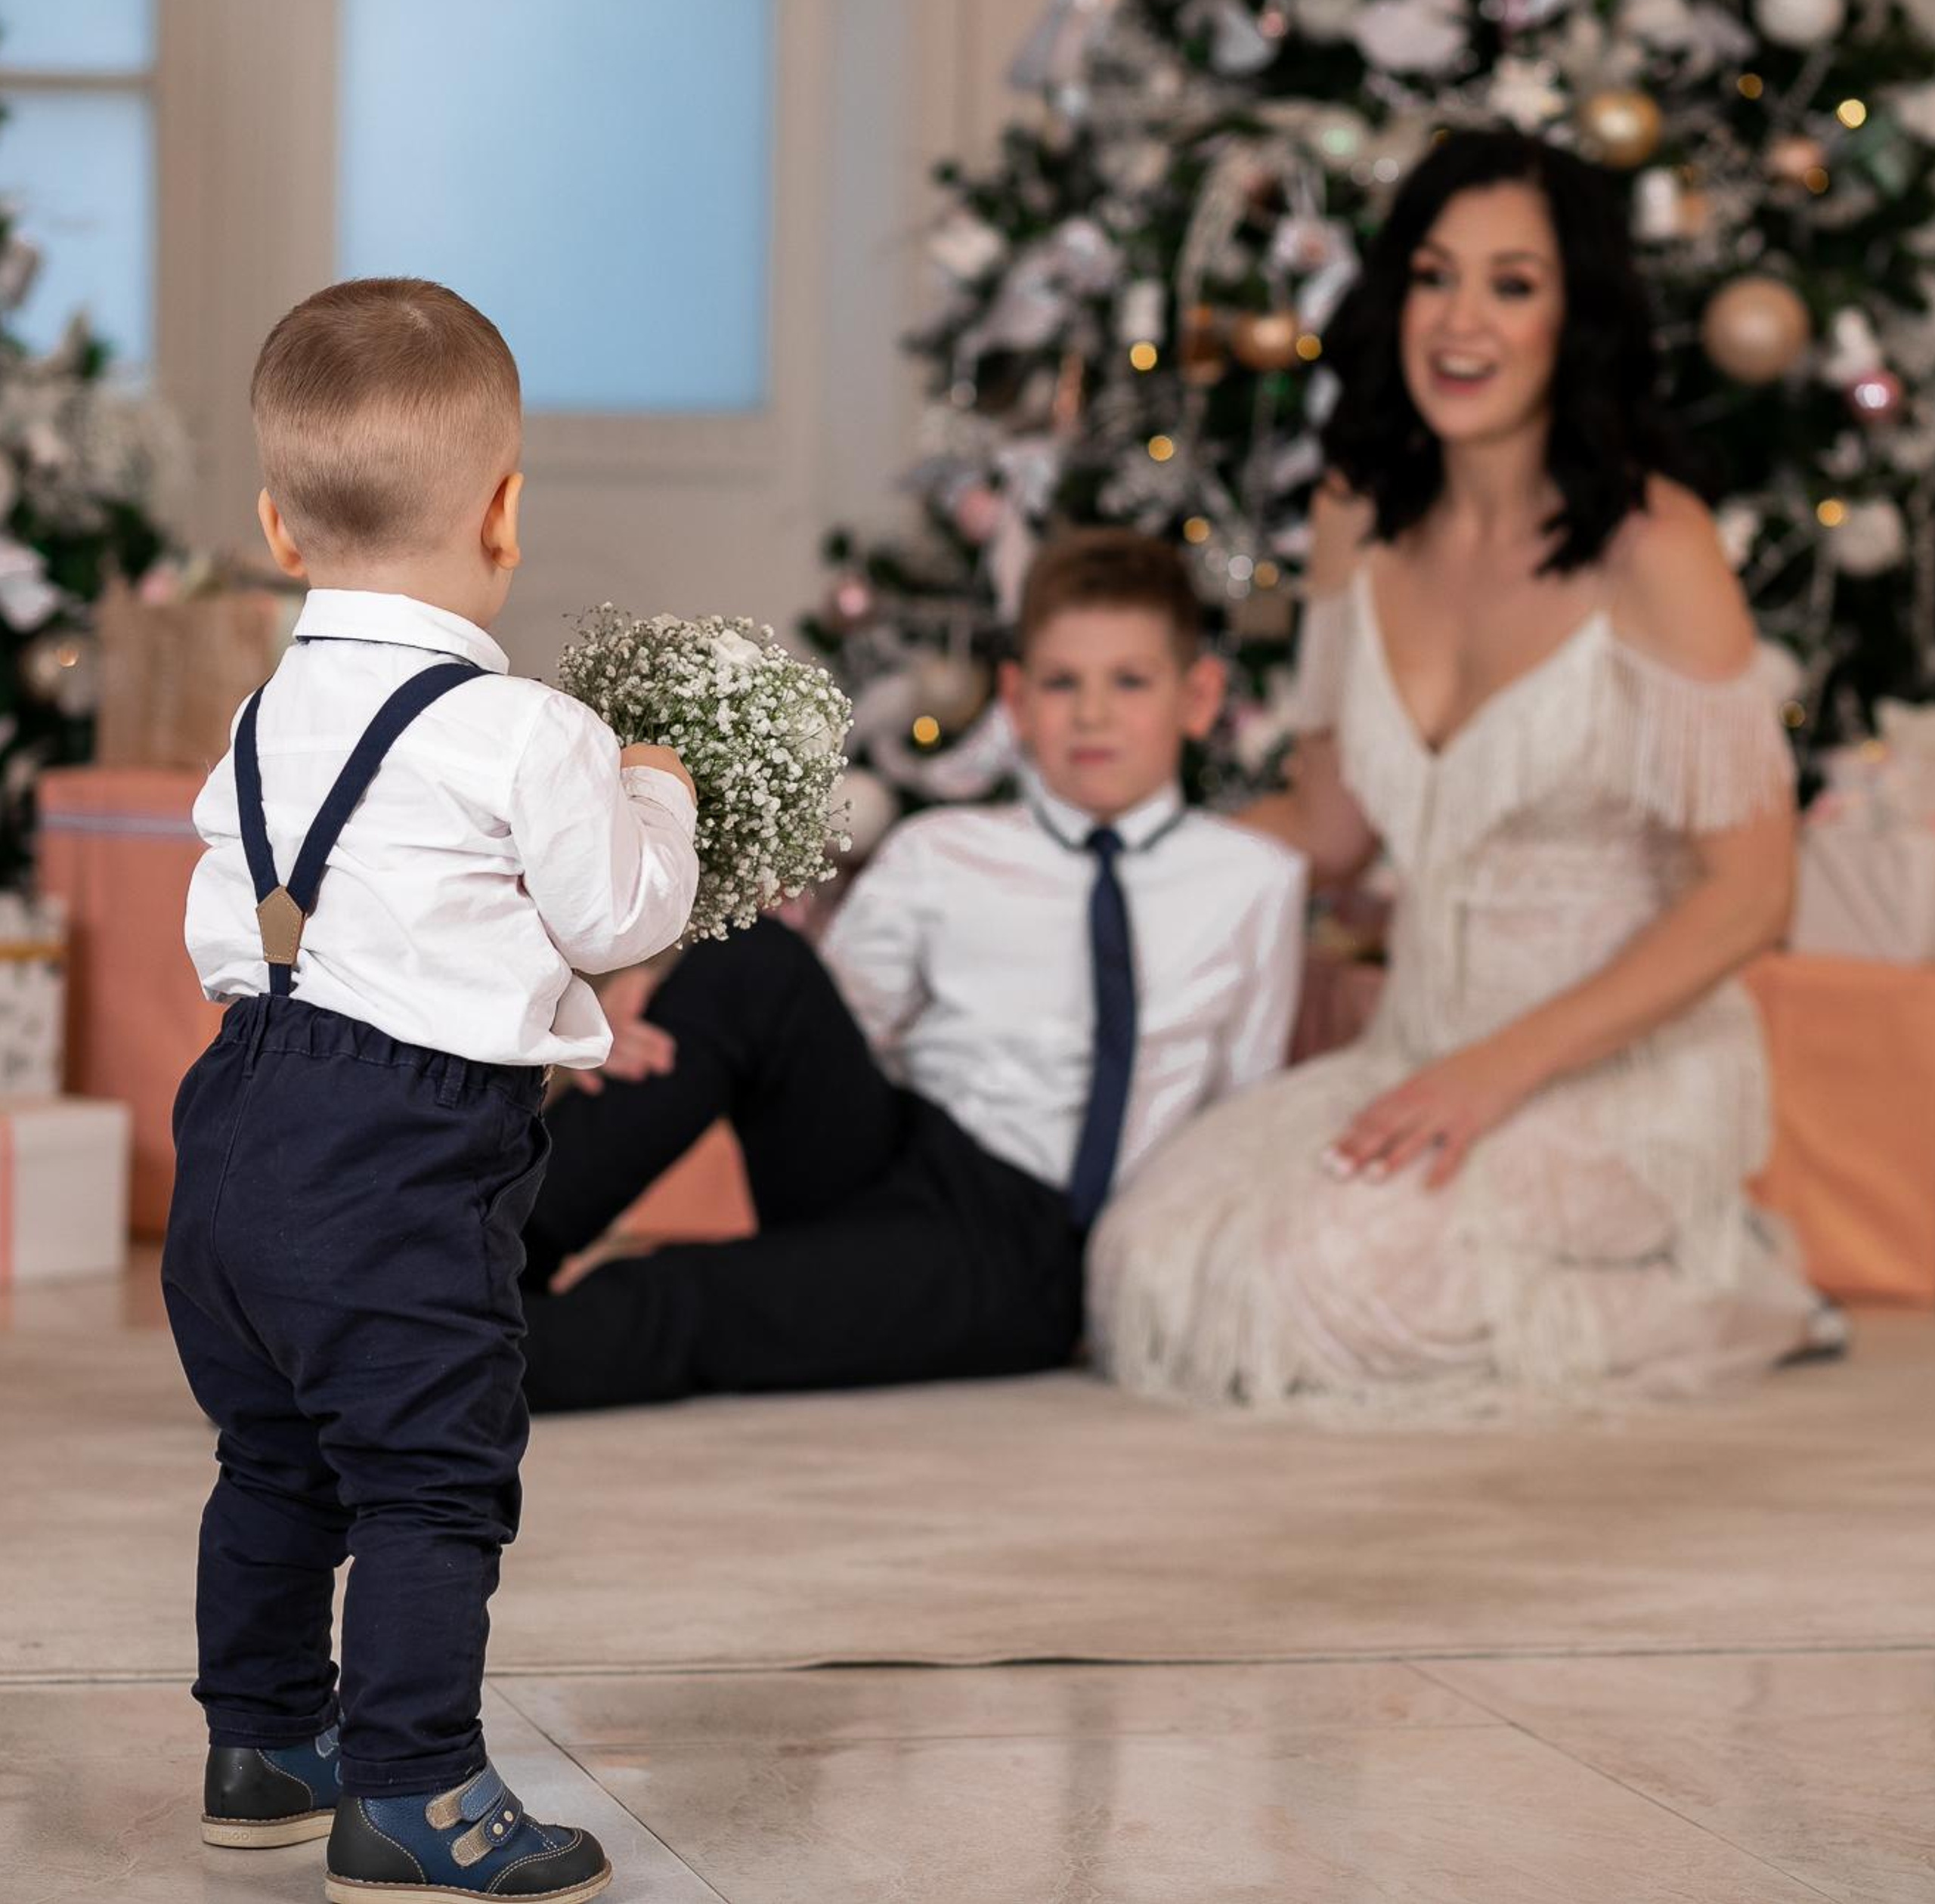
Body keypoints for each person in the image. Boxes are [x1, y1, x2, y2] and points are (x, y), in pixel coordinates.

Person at [1088, 128, 1826, 1419]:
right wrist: (1115, 857)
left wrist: (1496, 1072)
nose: (1461, 322)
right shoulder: (1360, 513)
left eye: (1512, 284)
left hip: (1618, 1077)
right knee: (1145, 1255)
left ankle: (1734, 1286)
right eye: (1435, 277)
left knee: (1320, 1286)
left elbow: (1752, 894)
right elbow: (1329, 826)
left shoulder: (1655, 545)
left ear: (1574, 319)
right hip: (1414, 1046)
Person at [163, 278, 698, 1903]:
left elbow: (224, 923)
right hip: (397, 1153)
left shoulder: (262, 716)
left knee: (275, 1458)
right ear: (505, 510)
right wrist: (656, 795)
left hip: (235, 1124)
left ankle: (265, 1745)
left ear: (278, 525)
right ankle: (415, 1787)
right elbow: (620, 919)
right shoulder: (526, 731)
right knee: (430, 1477)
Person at [515, 528, 1308, 1411]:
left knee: (690, 1296)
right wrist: (674, 1012)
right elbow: (823, 1026)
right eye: (1061, 682)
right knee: (753, 961)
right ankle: (481, 1254)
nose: (1092, 713)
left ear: (1198, 698)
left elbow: (1246, 1115)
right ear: (1015, 699)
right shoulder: (944, 850)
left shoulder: (1255, 883)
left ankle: (444, 1365)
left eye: (1129, 681)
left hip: (1025, 1241)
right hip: (902, 1154)